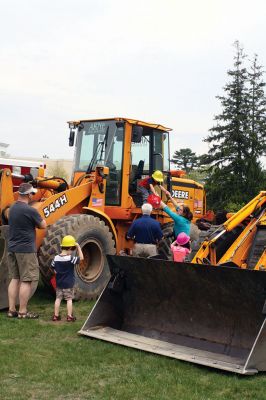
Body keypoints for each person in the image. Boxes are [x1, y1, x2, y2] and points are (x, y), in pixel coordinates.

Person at [7, 182, 47, 319]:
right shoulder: (31, 210)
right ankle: (23, 311)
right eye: (32, 193)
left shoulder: (12, 208)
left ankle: (12, 310)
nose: (33, 196)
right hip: (26, 250)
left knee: (15, 278)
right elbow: (43, 225)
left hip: (12, 248)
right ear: (29, 194)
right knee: (27, 280)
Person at [51, 235, 84, 322]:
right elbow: (81, 258)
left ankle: (56, 316)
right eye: (72, 249)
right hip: (68, 284)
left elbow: (53, 267)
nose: (72, 251)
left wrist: (57, 272)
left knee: (58, 299)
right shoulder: (70, 258)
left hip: (59, 283)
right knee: (69, 299)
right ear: (69, 248)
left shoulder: (56, 258)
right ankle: (69, 316)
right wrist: (78, 247)